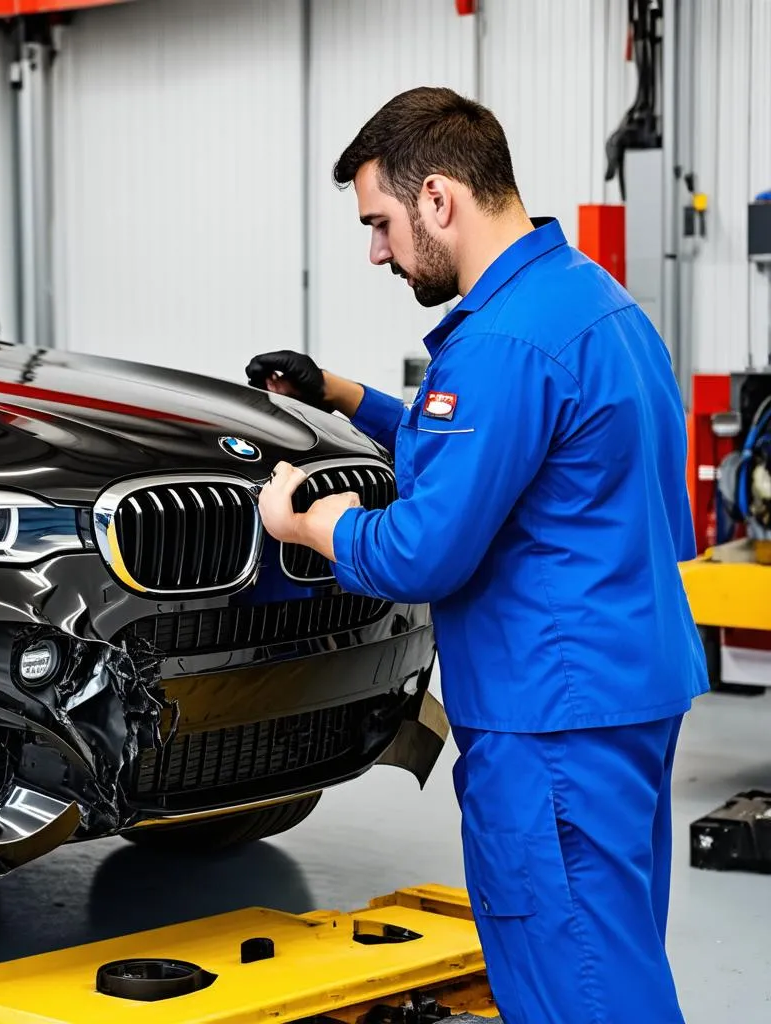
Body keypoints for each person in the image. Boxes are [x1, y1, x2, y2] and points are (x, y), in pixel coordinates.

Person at [247, 86, 708, 1024]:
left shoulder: (499, 342)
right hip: (625, 690)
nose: (377, 250)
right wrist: (346, 396)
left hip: (548, 717)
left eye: (380, 222)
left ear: (440, 200)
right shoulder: (588, 303)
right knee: (611, 951)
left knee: (574, 982)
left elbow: (421, 553)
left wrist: (308, 523)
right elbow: (498, 448)